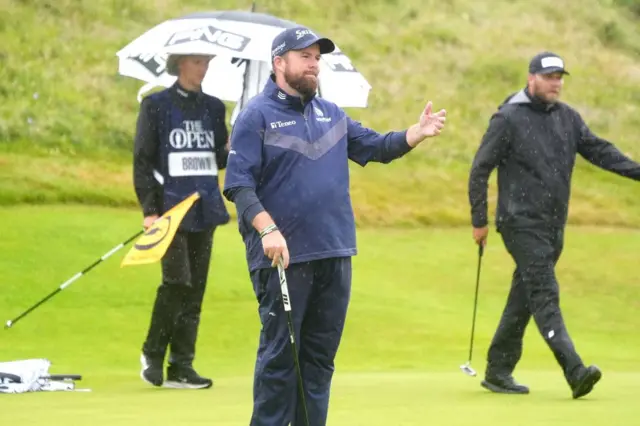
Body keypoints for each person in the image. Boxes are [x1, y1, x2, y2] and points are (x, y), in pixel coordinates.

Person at [223, 26, 446, 426]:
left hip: (334, 252)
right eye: (304, 56)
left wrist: (415, 134)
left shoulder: (331, 113)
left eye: (317, 57)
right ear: (279, 63)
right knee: (280, 363)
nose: (314, 64)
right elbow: (238, 185)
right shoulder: (255, 116)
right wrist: (267, 229)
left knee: (319, 363)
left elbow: (376, 147)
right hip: (283, 258)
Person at [468, 51, 640, 399]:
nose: (556, 83)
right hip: (519, 222)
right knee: (545, 294)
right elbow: (479, 169)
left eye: (560, 77)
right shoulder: (508, 118)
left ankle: (498, 370)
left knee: (524, 297)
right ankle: (574, 370)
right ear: (531, 78)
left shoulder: (568, 119)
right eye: (549, 76)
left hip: (552, 225)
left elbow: (601, 151)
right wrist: (479, 221)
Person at [132, 52, 231, 389]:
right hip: (170, 209)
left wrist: (235, 143)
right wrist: (149, 210)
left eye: (206, 62)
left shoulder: (215, 108)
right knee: (177, 283)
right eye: (197, 62)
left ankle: (182, 366)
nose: (203, 68)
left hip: (205, 209)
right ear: (180, 64)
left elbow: (217, 157)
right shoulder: (155, 105)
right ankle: (153, 354)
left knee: (196, 290)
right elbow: (143, 161)